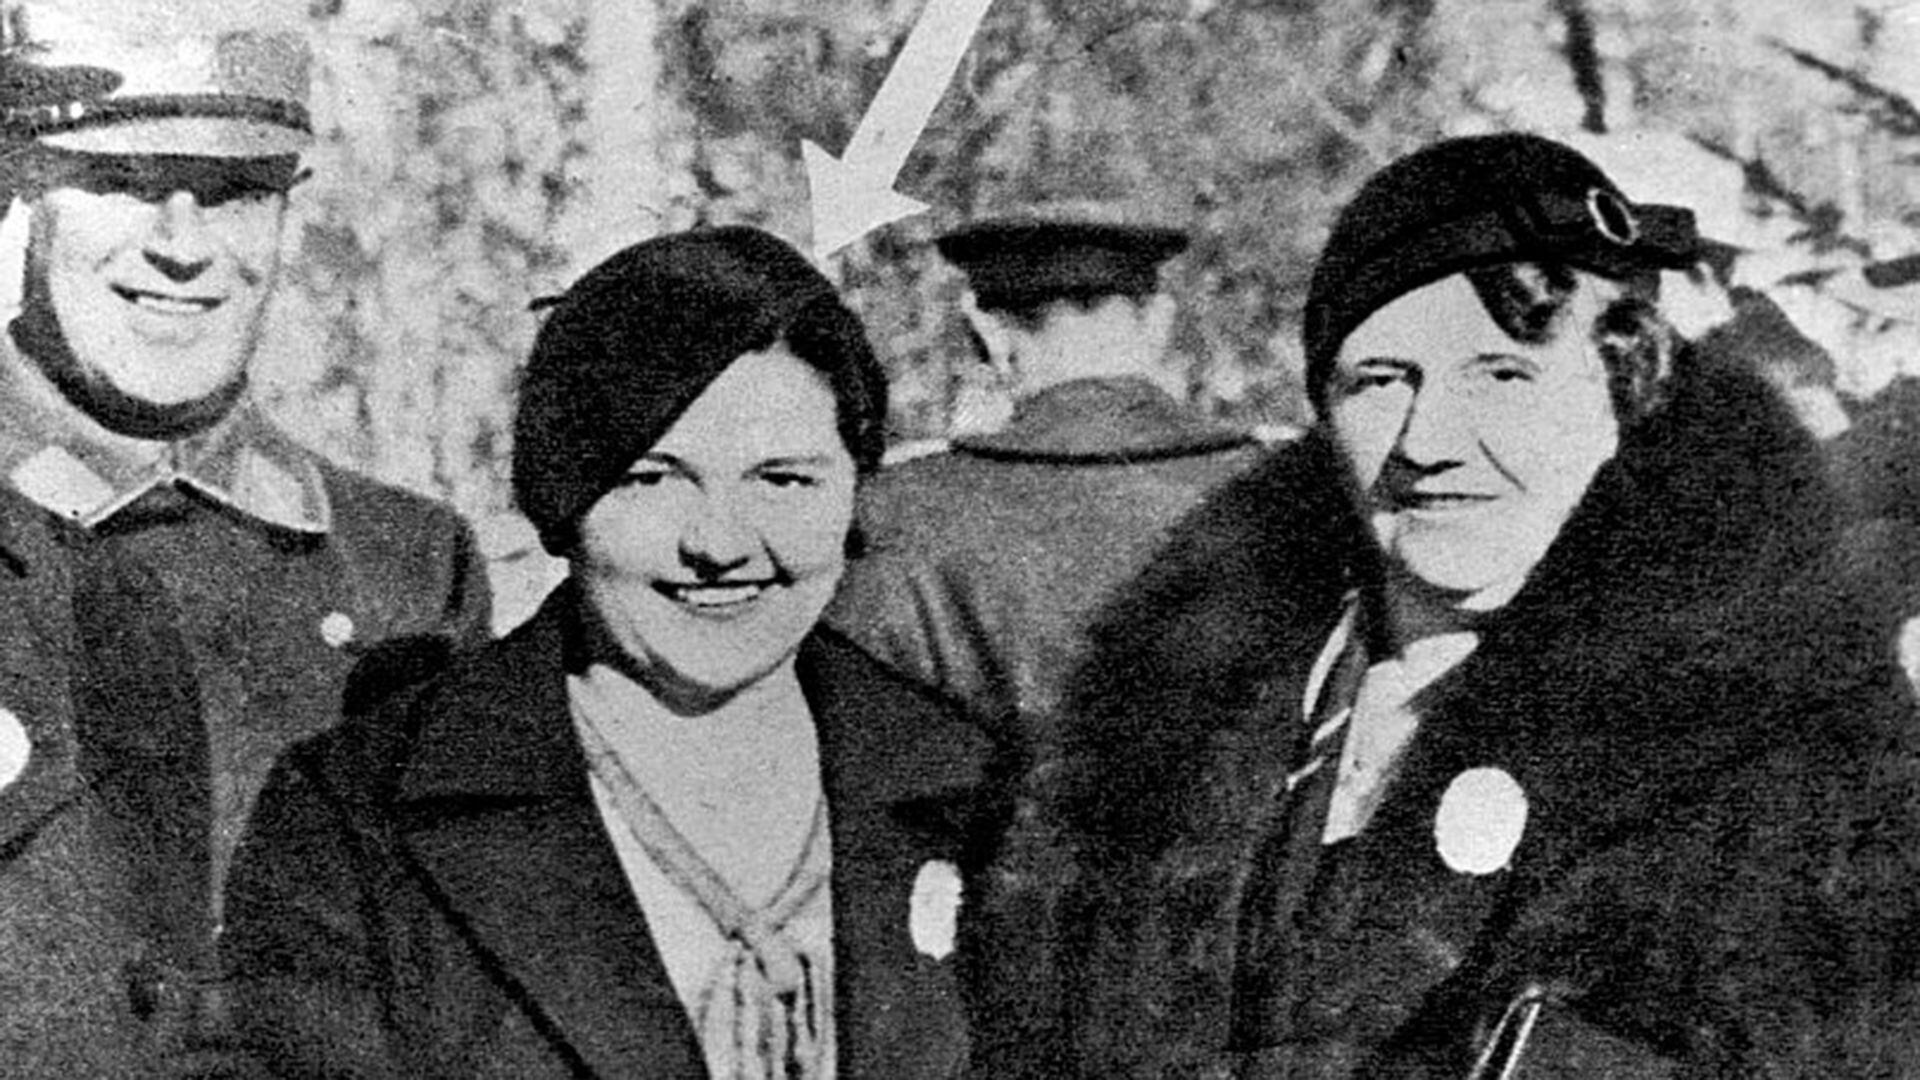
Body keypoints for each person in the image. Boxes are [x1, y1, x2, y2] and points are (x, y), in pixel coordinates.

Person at [1042, 133, 1920, 1077]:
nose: (1429, 441)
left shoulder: (1800, 760)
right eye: (1380, 380)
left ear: (1626, 393)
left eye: (1504, 376)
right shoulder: (1163, 728)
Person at [221, 225, 996, 1079]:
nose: (720, 543)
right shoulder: (355, 818)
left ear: (855, 489)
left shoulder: (982, 792)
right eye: (652, 478)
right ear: (563, 492)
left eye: (783, 480)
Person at [0, 2, 492, 1072]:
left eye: (235, 194)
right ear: (20, 192)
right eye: (126, 184)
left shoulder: (408, 569)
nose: (183, 247)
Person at [821, 208, 1271, 1072]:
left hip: (994, 1009)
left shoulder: (897, 519)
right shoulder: (1289, 499)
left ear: (985, 331)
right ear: (1158, 322)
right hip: (1243, 1003)